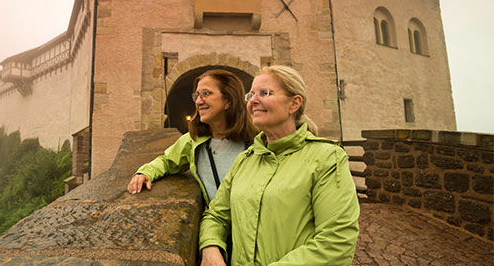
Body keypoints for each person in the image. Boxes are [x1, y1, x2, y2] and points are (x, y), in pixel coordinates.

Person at [199, 65, 360, 266]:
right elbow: (216, 216)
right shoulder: (245, 160)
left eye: (264, 93)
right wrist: (210, 247)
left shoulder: (327, 158)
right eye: (251, 94)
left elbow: (337, 242)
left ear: (294, 104)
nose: (253, 101)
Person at [127, 69, 258, 204]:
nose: (198, 101)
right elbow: (167, 161)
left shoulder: (257, 141)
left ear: (228, 101)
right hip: (218, 221)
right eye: (197, 96)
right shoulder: (194, 141)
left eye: (206, 93)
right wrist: (144, 173)